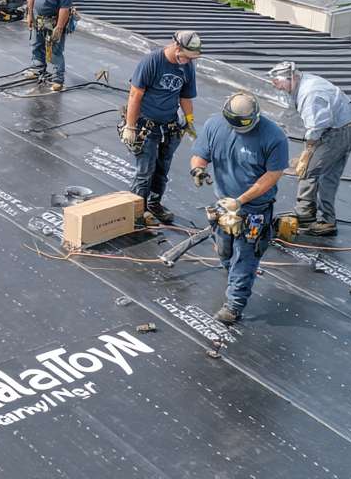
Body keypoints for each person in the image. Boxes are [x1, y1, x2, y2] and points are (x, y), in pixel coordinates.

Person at [190, 92, 289, 325]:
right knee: (224, 250)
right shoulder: (215, 125)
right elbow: (199, 155)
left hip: (254, 209)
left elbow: (273, 175)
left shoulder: (273, 137)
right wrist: (198, 169)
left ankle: (234, 304)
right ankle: (233, 274)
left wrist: (241, 200)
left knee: (245, 256)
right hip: (223, 205)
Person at [269, 61, 351, 237]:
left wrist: (307, 154)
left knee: (308, 170)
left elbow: (316, 127)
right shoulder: (302, 82)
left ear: (291, 78)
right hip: (346, 126)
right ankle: (326, 220)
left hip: (339, 132)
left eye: (279, 83)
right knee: (327, 175)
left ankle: (305, 215)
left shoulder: (310, 93)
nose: (278, 88)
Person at [120, 30, 201, 224]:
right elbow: (135, 95)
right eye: (186, 56)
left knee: (162, 168)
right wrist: (130, 127)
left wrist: (189, 120)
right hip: (146, 125)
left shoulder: (187, 66)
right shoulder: (152, 62)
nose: (187, 61)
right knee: (144, 171)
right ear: (177, 47)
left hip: (169, 125)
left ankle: (154, 204)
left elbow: (185, 96)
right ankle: (137, 212)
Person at [24, 0, 74, 91]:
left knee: (55, 50)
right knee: (36, 44)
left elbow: (65, 8)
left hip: (54, 20)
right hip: (38, 17)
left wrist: (59, 27)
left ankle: (58, 79)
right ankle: (37, 68)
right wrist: (29, 15)